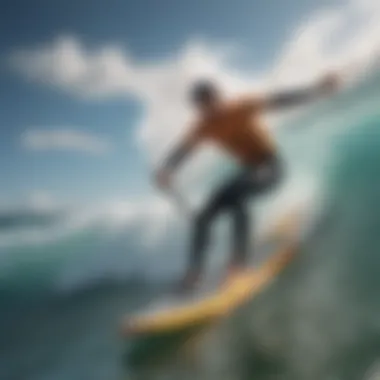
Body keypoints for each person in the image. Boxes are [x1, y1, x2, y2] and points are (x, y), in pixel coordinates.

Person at [154, 72, 341, 290]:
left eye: (210, 101)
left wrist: (317, 89)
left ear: (218, 97)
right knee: (203, 217)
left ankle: (238, 264)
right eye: (202, 106)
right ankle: (194, 273)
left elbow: (279, 100)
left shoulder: (240, 107)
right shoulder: (202, 126)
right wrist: (167, 169)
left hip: (271, 167)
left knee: (236, 193)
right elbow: (182, 150)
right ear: (198, 108)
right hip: (248, 172)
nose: (208, 109)